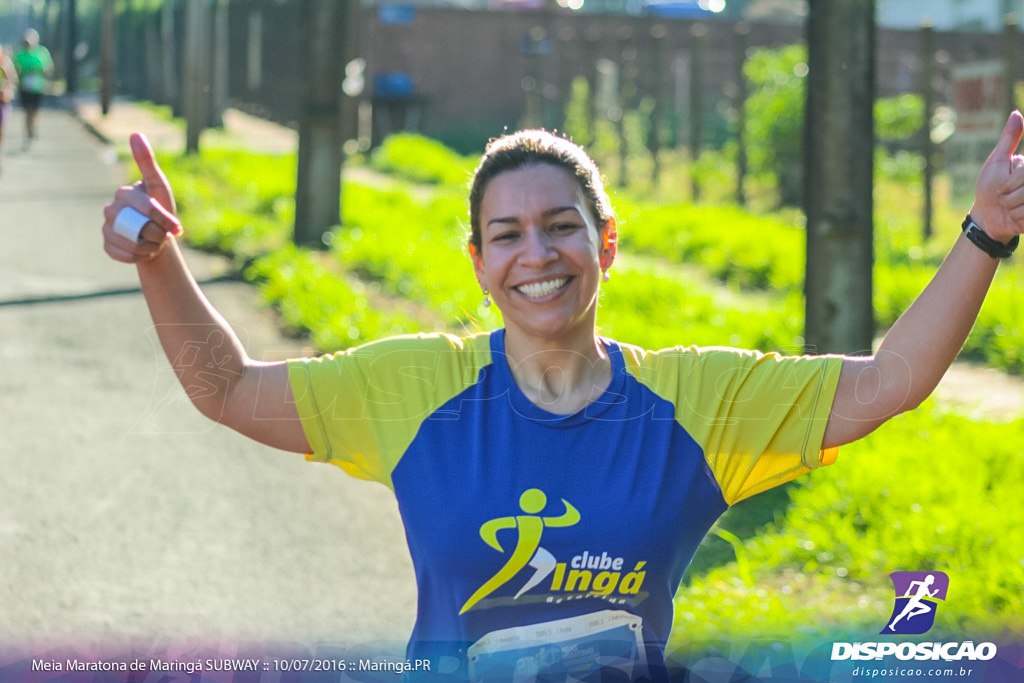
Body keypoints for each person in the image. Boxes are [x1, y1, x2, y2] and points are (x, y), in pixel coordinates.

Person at [101, 112, 1024, 681]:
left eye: (560, 227)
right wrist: (158, 259)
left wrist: (982, 233)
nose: (535, 255)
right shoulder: (417, 386)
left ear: (607, 242)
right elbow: (225, 388)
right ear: (478, 262)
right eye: (504, 234)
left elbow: (890, 383)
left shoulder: (694, 400)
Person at [12, 28, 52, 145]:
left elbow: (49, 68)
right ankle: (28, 131)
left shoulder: (42, 52)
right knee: (27, 110)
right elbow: (14, 69)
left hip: (38, 87)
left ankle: (32, 125)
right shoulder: (19, 54)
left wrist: (41, 72)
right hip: (24, 87)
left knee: (34, 111)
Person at [0, 44, 17, 167]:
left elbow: (13, 80)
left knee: (1, 130)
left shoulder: (5, 63)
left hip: (2, 102)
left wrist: (7, 89)